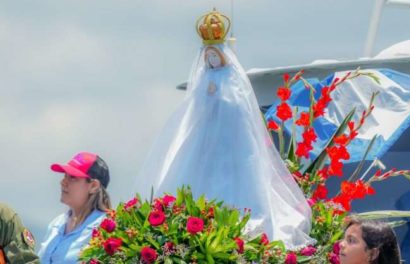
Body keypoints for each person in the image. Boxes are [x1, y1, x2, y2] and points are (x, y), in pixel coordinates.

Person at [135, 9, 313, 248]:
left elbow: (240, 115)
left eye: (214, 56)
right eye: (208, 58)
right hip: (206, 144)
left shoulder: (234, 84)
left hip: (233, 145)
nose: (211, 61)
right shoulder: (203, 83)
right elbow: (194, 115)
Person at [38, 152, 111, 264]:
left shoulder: (105, 228)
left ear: (93, 186)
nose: (63, 182)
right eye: (65, 176)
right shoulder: (56, 223)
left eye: (72, 177)